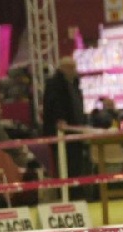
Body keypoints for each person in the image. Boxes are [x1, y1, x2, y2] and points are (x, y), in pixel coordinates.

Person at [42, 56, 89, 197]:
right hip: (62, 132)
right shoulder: (54, 84)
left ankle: (76, 192)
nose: (75, 71)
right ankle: (66, 193)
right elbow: (53, 104)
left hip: (75, 130)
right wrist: (60, 120)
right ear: (64, 68)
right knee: (64, 164)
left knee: (76, 164)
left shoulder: (74, 84)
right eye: (72, 68)